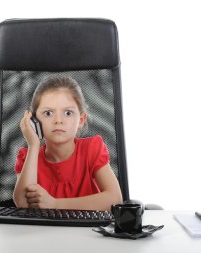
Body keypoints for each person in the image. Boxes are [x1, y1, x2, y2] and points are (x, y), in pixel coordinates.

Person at [13, 76, 123, 211]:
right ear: (34, 121)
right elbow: (23, 204)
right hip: (43, 232)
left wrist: (55, 204)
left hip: (86, 230)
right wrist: (33, 145)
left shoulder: (91, 150)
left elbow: (115, 199)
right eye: (48, 113)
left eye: (68, 113)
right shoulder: (28, 157)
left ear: (81, 120)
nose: (58, 120)